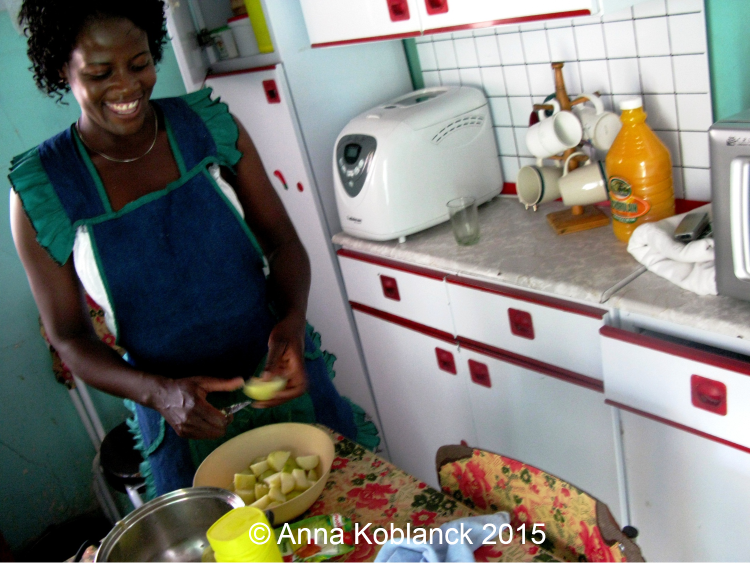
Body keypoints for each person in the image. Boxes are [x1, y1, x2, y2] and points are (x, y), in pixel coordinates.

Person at [9, 0, 376, 499]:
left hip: (280, 383)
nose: (126, 87)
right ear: (62, 70)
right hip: (176, 417)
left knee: (352, 521)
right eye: (100, 73)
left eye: (139, 63)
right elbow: (70, 337)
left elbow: (284, 242)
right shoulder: (44, 190)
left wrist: (290, 323)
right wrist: (158, 393)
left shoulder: (206, 129)